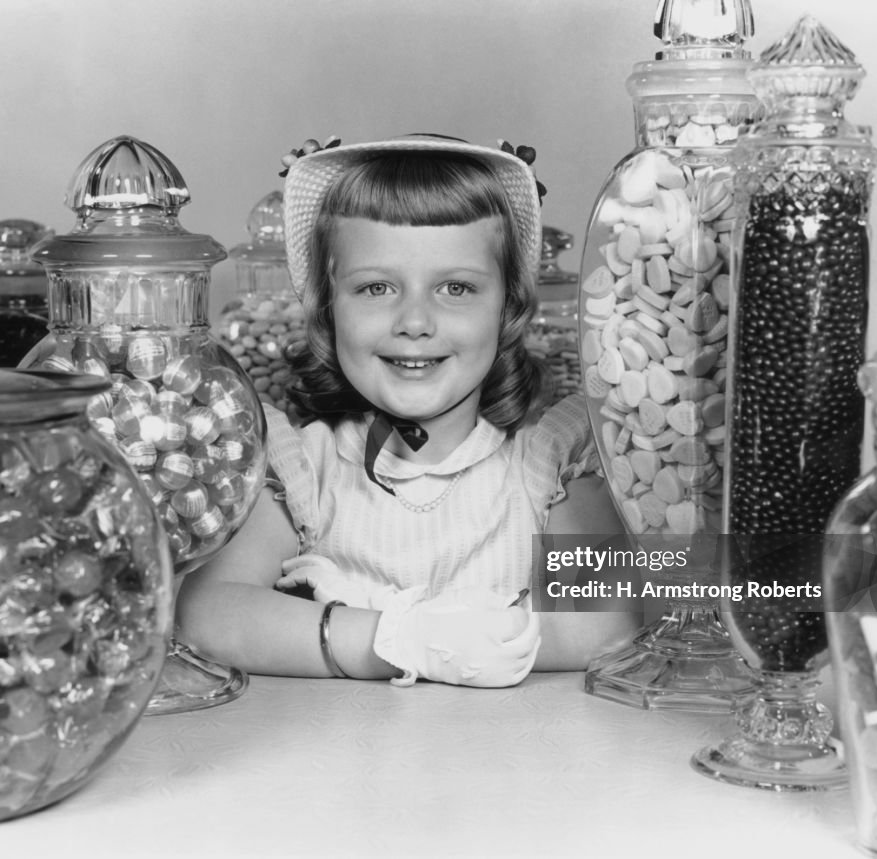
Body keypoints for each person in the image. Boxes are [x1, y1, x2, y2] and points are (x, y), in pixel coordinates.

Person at [176, 134, 640, 687]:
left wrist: (472, 643)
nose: (414, 321)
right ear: (326, 309)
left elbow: (609, 622)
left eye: (456, 287)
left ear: (509, 308)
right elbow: (208, 617)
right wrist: (400, 640)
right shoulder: (303, 468)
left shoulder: (548, 467)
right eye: (375, 288)